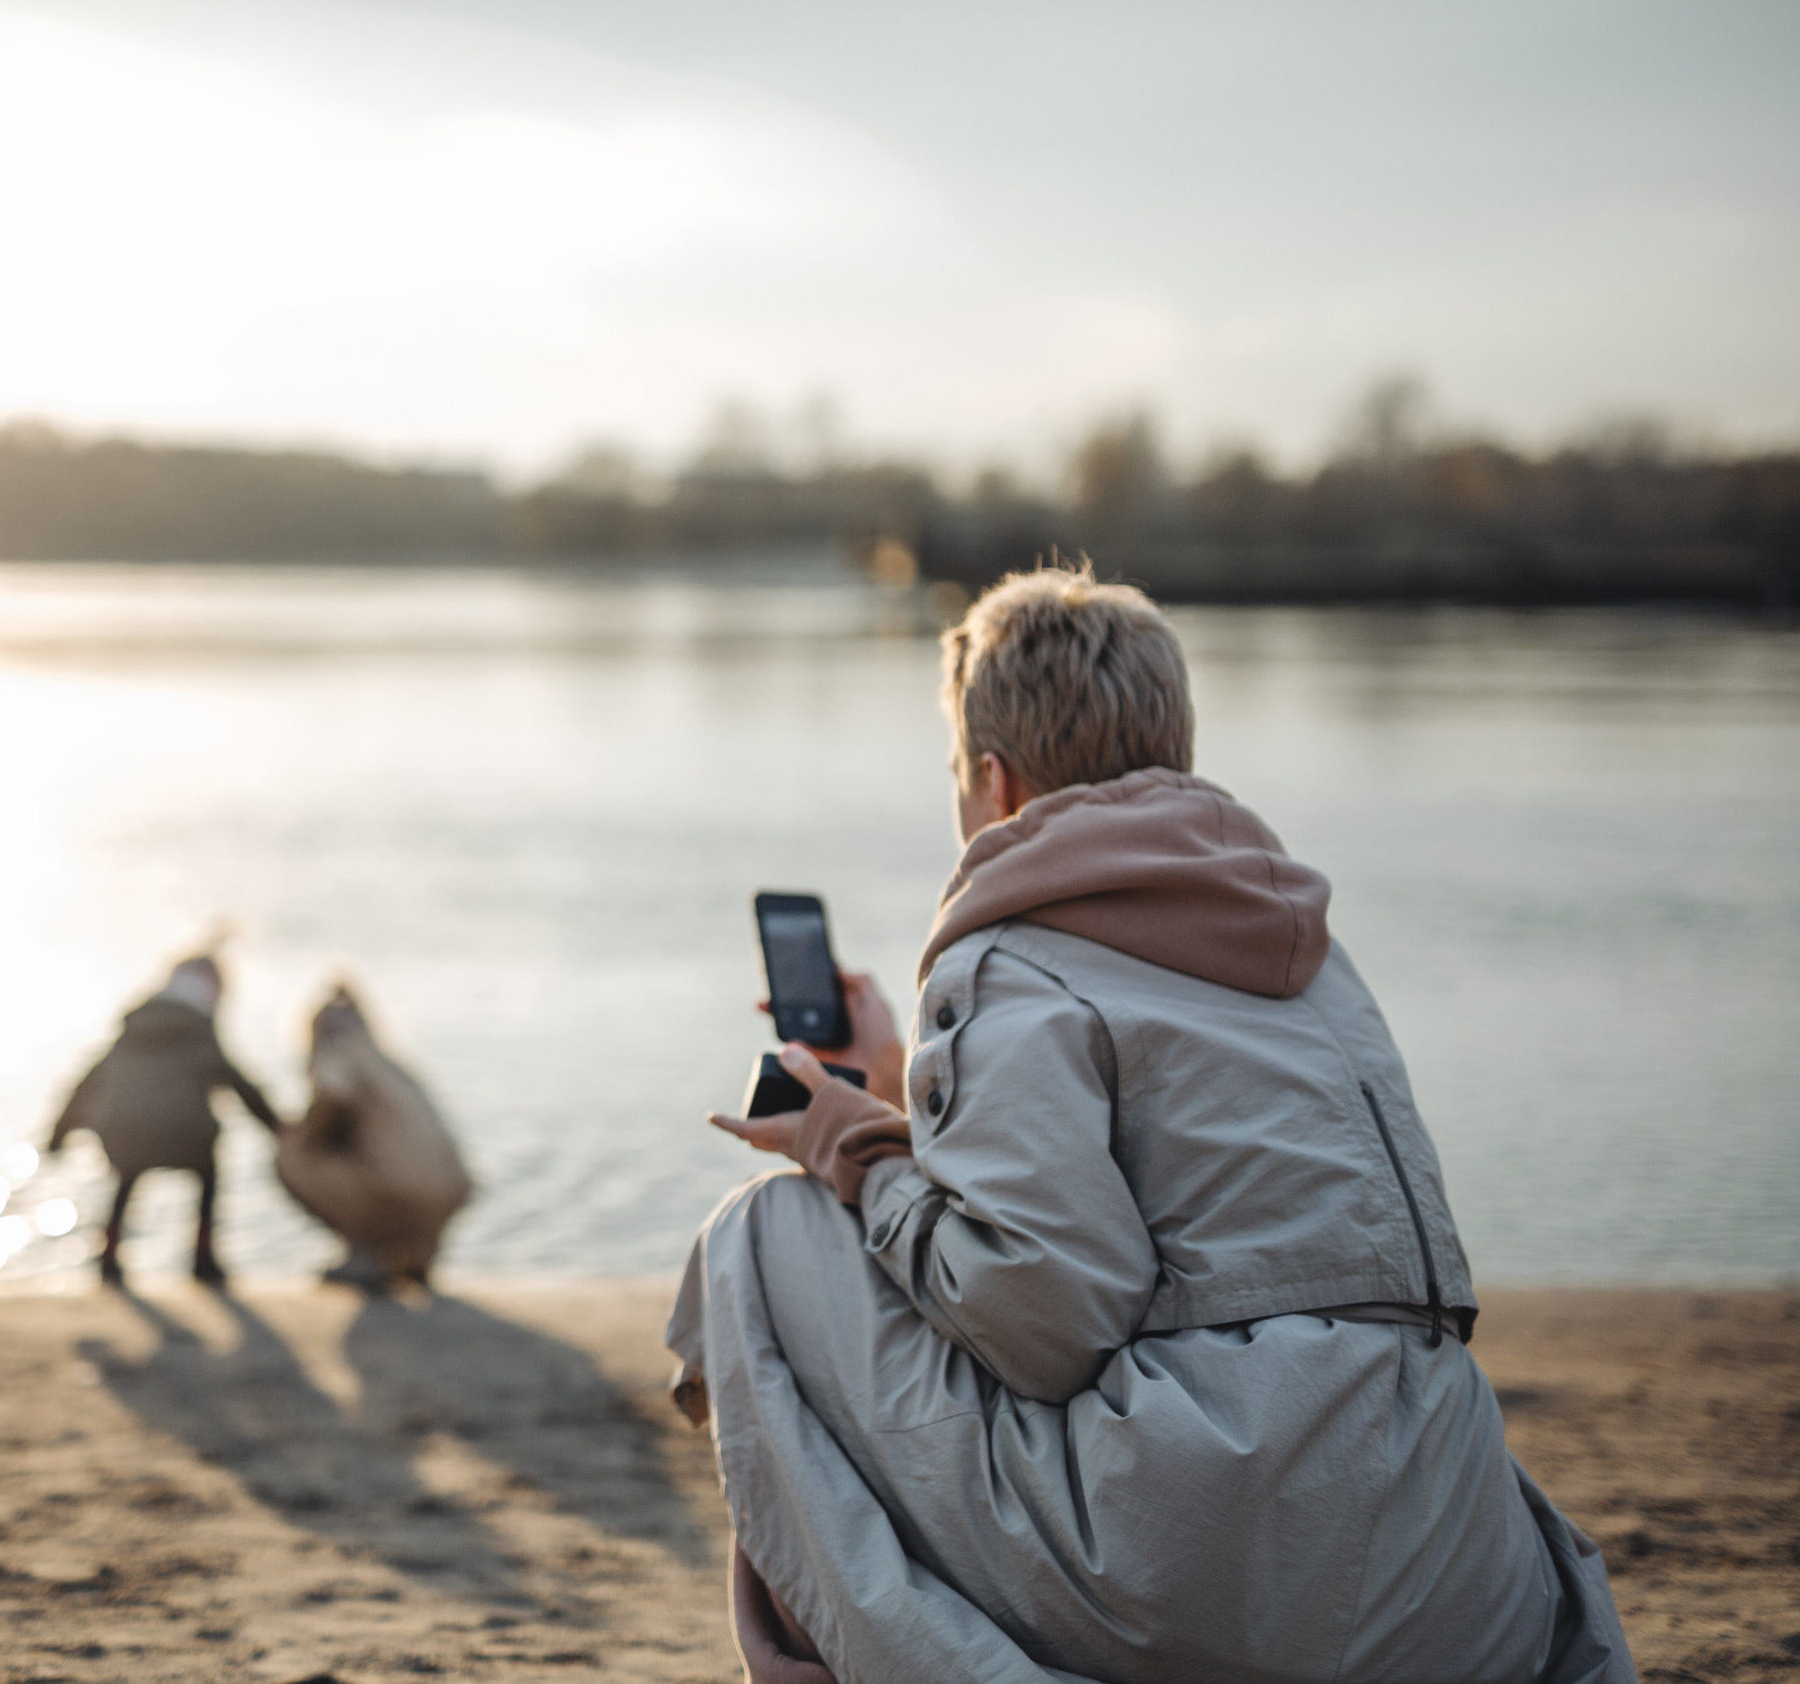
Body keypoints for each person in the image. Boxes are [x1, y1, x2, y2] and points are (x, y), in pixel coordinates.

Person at [666, 566, 1633, 1684]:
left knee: (764, 1236)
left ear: (994, 779)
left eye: (955, 776)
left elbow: (1047, 1322)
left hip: (1217, 1563)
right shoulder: (1307, 957)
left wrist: (850, 1142)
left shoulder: (1006, 961)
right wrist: (899, 1094)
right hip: (1441, 1564)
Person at [47, 953, 280, 1289]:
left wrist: (58, 1137)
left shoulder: (130, 1029)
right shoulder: (199, 1032)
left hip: (124, 1136)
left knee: (124, 1181)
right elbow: (236, 1083)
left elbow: (88, 1083)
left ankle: (108, 1258)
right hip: (187, 1137)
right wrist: (276, 1126)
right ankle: (202, 1258)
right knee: (209, 1177)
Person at [275, 984, 472, 1292]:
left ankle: (364, 1254)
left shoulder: (338, 1053)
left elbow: (333, 1092)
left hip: (401, 1189)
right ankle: (417, 1259)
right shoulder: (390, 1063)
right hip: (452, 1188)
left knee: (291, 1156)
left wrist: (306, 1131)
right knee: (394, 1162)